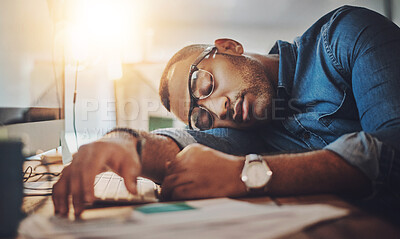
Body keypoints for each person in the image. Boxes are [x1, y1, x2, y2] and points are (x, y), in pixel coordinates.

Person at [53, 5, 400, 218]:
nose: (219, 109)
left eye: (204, 86)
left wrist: (246, 174)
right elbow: (177, 144)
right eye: (203, 115)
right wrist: (120, 142)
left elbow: (394, 149)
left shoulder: (346, 36)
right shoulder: (245, 132)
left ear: (229, 47)